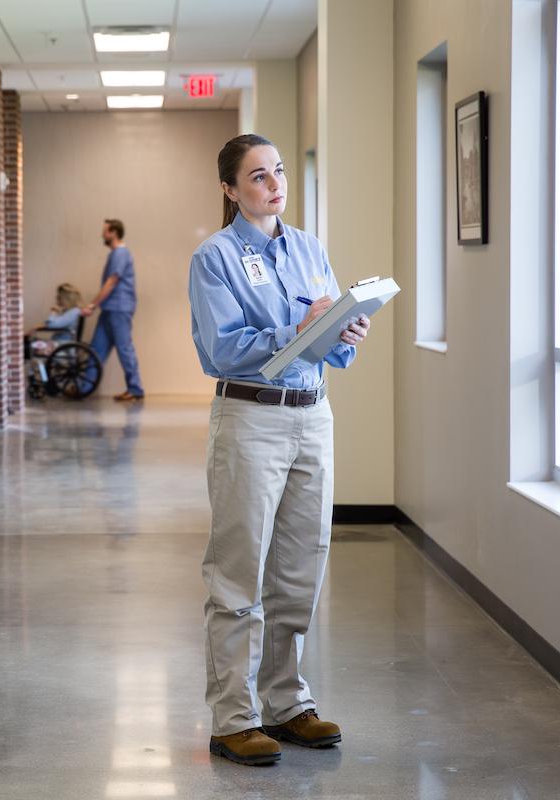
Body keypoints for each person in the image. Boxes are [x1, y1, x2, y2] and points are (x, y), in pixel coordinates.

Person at [188, 134, 371, 767]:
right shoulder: (215, 257)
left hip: (311, 414)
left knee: (300, 566)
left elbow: (333, 347)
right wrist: (294, 329)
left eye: (279, 173)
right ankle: (233, 718)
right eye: (259, 176)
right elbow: (221, 348)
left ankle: (287, 702)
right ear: (231, 189)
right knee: (239, 571)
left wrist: (346, 329)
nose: (274, 185)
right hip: (251, 418)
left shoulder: (309, 248)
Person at [81, 219, 145, 402]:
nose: (102, 235)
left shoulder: (120, 254)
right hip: (109, 308)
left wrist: (92, 304)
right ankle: (84, 387)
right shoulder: (116, 254)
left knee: (124, 348)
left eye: (105, 231)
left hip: (119, 308)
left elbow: (111, 282)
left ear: (114, 233)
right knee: (96, 350)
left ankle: (135, 389)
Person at [27, 283, 82, 357]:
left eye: (59, 297)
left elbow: (52, 324)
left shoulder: (73, 312)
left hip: (60, 346)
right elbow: (52, 323)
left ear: (66, 298)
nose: (56, 298)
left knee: (29, 345)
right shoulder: (72, 311)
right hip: (57, 343)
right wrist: (36, 327)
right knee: (31, 341)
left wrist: (54, 310)